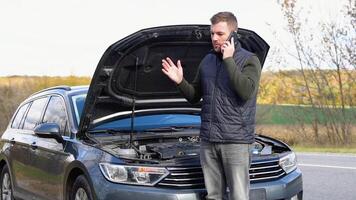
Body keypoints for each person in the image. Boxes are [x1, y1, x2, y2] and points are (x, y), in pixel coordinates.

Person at [161, 12, 261, 200]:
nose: (214, 38)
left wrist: (229, 60)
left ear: (233, 34)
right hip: (208, 140)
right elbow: (194, 96)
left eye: (220, 34)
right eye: (212, 33)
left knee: (239, 196)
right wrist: (180, 81)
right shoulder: (207, 61)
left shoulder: (249, 60)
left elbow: (246, 91)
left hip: (236, 141)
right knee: (214, 196)